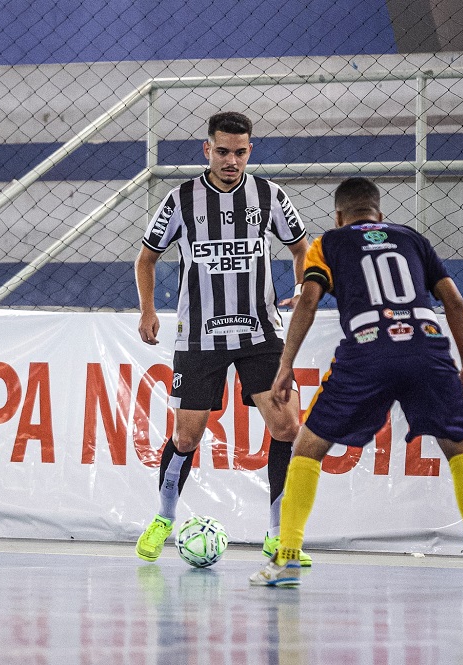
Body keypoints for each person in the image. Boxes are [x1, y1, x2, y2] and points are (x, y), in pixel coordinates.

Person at [249, 176, 463, 589]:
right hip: (426, 345)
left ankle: (288, 558)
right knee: (459, 448)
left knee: (307, 448)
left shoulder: (328, 242)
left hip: (368, 347)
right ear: (379, 214)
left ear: (339, 216)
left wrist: (285, 364)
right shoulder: (412, 239)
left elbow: (308, 300)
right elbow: (453, 301)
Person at [134, 111, 313, 566]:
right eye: (222, 151)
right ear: (206, 150)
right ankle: (163, 520)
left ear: (250, 150)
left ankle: (280, 536)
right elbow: (146, 259)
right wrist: (149, 311)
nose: (231, 160)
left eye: (240, 152)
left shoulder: (270, 196)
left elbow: (300, 248)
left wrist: (300, 290)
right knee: (187, 437)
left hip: (260, 333)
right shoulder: (180, 199)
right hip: (198, 338)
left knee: (288, 428)